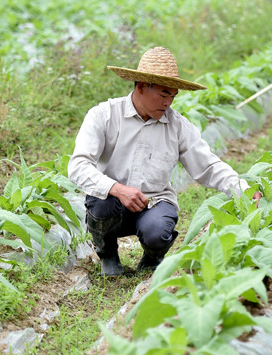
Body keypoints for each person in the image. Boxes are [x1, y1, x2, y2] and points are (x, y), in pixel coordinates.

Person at [68, 46, 253, 277]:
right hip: (114, 203)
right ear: (142, 86)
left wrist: (244, 191)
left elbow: (208, 166)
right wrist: (118, 189)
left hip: (153, 202)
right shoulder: (104, 115)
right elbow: (77, 166)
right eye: (164, 94)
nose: (168, 103)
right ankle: (108, 254)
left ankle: (153, 256)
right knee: (101, 201)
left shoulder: (178, 126)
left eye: (173, 96)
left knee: (157, 230)